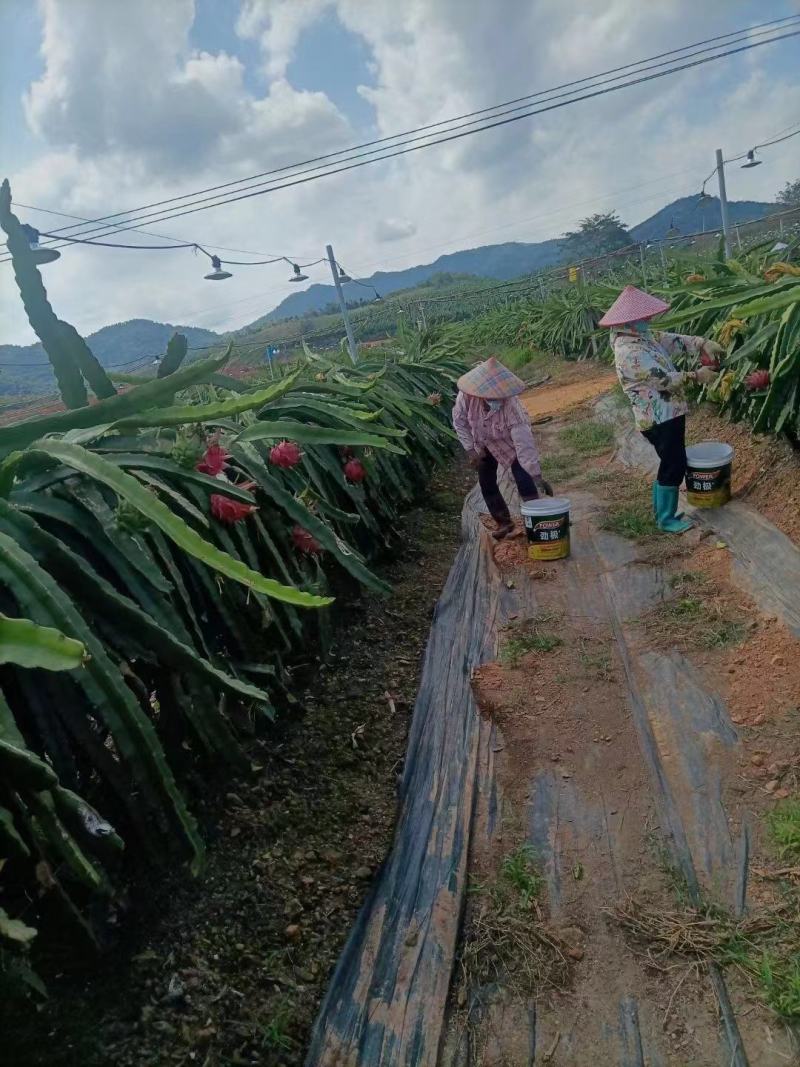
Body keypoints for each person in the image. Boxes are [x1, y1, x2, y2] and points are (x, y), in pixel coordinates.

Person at [599, 285, 723, 533]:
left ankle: (661, 512)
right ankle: (666, 519)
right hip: (658, 418)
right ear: (630, 321)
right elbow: (662, 380)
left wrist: (702, 344)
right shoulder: (629, 352)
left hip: (667, 413)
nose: (649, 319)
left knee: (669, 461)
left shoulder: (640, 337)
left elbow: (670, 340)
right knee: (674, 464)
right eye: (644, 317)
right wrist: (696, 376)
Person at [452, 356, 549, 540]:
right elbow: (459, 421)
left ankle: (537, 521)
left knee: (524, 479)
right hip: (483, 443)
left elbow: (524, 443)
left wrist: (534, 474)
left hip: (510, 446)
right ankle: (504, 522)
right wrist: (471, 450)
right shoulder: (466, 397)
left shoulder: (512, 406)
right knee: (486, 483)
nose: (492, 399)